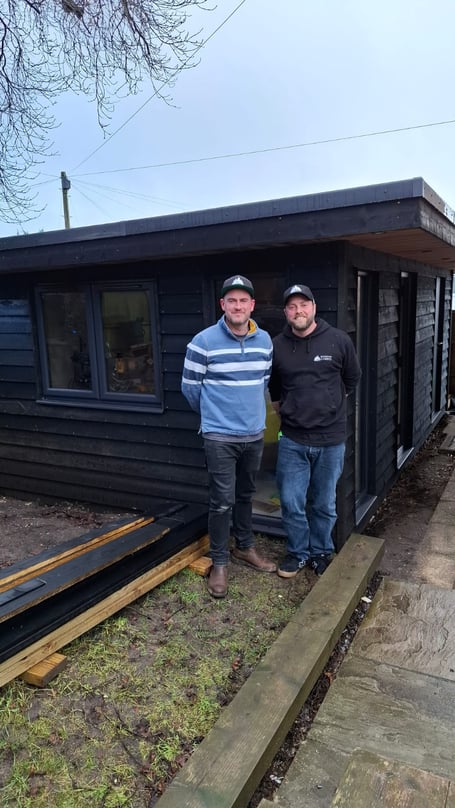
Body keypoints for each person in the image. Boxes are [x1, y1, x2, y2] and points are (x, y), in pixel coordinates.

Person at [181, 275, 277, 598]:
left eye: (243, 300)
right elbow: (190, 389)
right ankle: (220, 562)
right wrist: (216, 417)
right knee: (222, 501)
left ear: (252, 305)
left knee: (246, 494)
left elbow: (262, 382)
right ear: (222, 305)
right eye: (231, 301)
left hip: (253, 434)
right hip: (219, 437)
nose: (238, 306)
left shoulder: (265, 341)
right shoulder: (203, 342)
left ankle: (245, 547)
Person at [269, 284, 361, 578]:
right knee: (290, 501)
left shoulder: (339, 340)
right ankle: (297, 553)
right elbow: (274, 387)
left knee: (324, 503)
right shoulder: (277, 345)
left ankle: (320, 551)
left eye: (303, 305)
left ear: (314, 308)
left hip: (331, 440)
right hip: (292, 439)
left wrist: (330, 403)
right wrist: (287, 409)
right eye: (292, 306)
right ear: (286, 312)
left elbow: (352, 378)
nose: (298, 311)